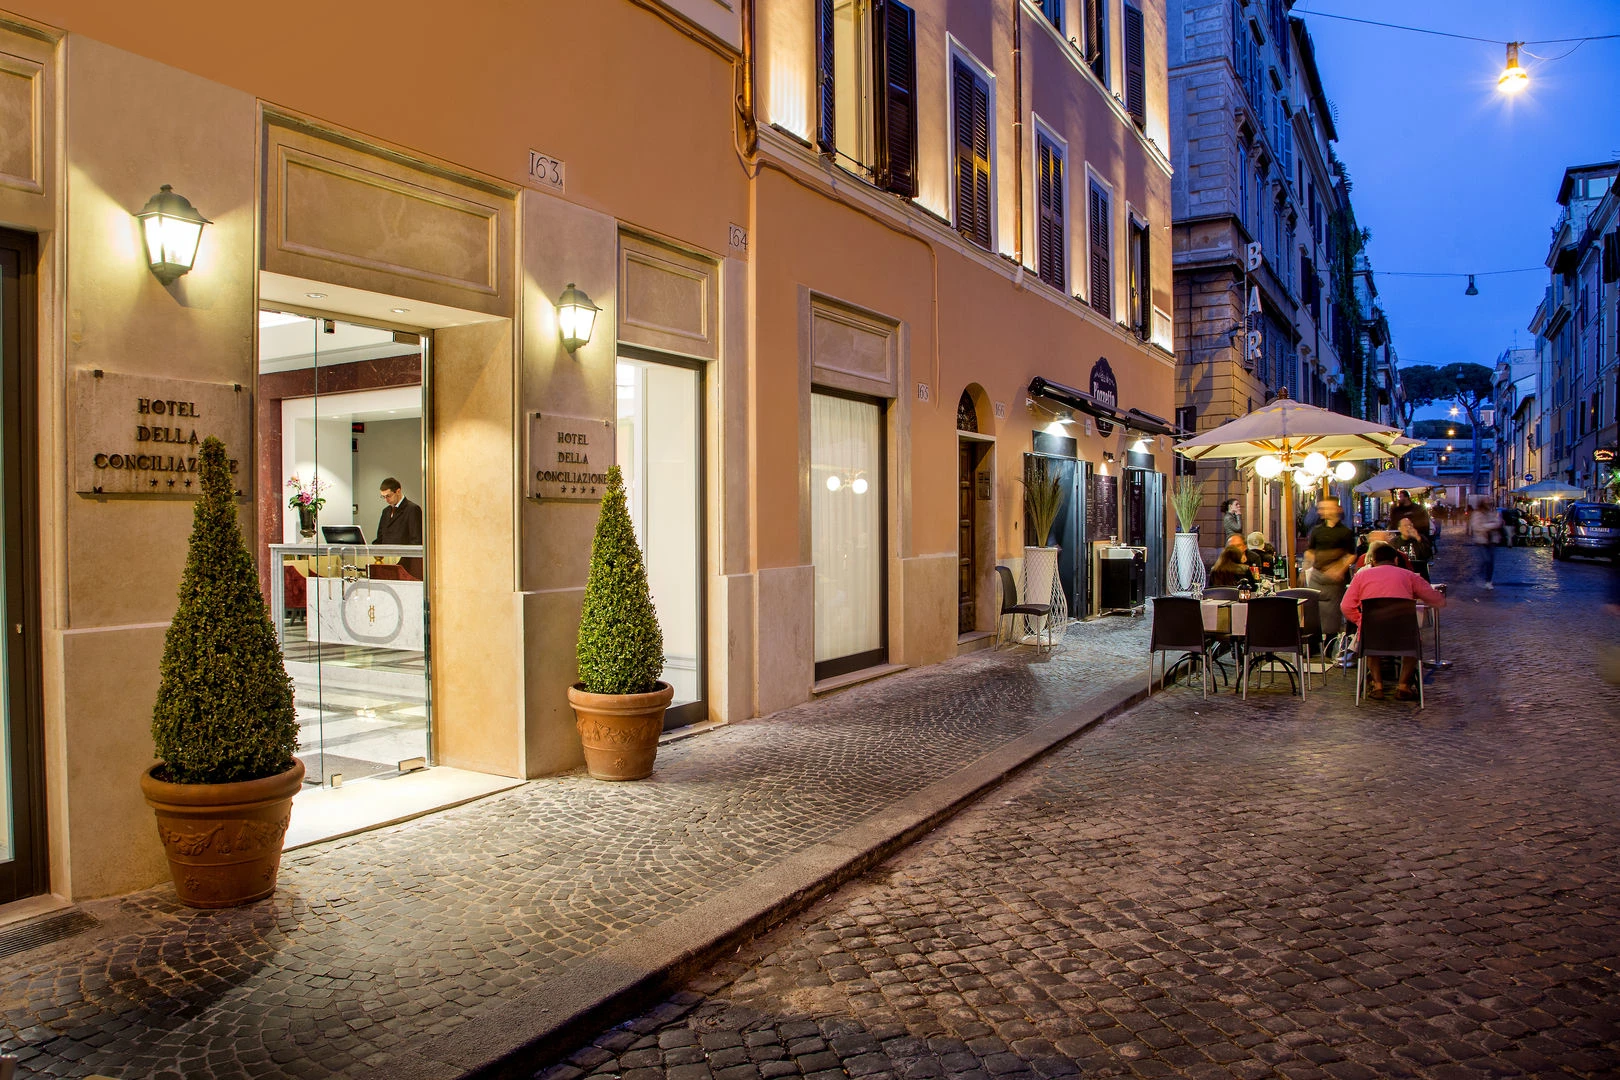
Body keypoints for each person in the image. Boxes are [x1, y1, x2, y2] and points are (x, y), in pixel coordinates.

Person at [1340, 543, 1446, 700]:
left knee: (1367, 642)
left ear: (1373, 561)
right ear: (1396, 560)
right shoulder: (1409, 576)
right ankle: (1403, 686)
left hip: (1372, 634)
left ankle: (1377, 685)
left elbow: (1346, 606)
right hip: (1404, 635)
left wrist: (1361, 621)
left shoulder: (1361, 576)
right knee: (1414, 643)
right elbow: (1436, 600)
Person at [1303, 496, 1356, 637]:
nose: (1322, 511)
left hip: (1334, 580)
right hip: (1317, 575)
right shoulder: (1316, 531)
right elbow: (1310, 550)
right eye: (1321, 508)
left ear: (1337, 509)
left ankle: (1330, 642)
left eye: (1326, 508)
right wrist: (1309, 562)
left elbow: (1351, 555)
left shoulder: (1345, 532)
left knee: (1332, 616)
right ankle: (1314, 642)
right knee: (1313, 611)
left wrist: (1339, 569)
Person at [1467, 496, 1503, 590]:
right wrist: (1490, 525)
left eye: (1490, 502)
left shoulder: (1492, 512)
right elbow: (1476, 526)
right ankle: (1480, 575)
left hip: (1492, 539)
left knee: (1491, 561)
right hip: (1482, 540)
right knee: (1486, 559)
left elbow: (1498, 522)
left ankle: (1488, 581)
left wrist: (1488, 525)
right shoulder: (1477, 513)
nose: (1489, 504)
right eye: (1487, 502)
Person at [376, 477, 424, 545]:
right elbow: (380, 538)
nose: (386, 500)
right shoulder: (385, 511)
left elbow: (416, 540)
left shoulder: (412, 509)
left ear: (398, 491)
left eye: (388, 496)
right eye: (383, 497)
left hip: (404, 551)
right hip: (386, 551)